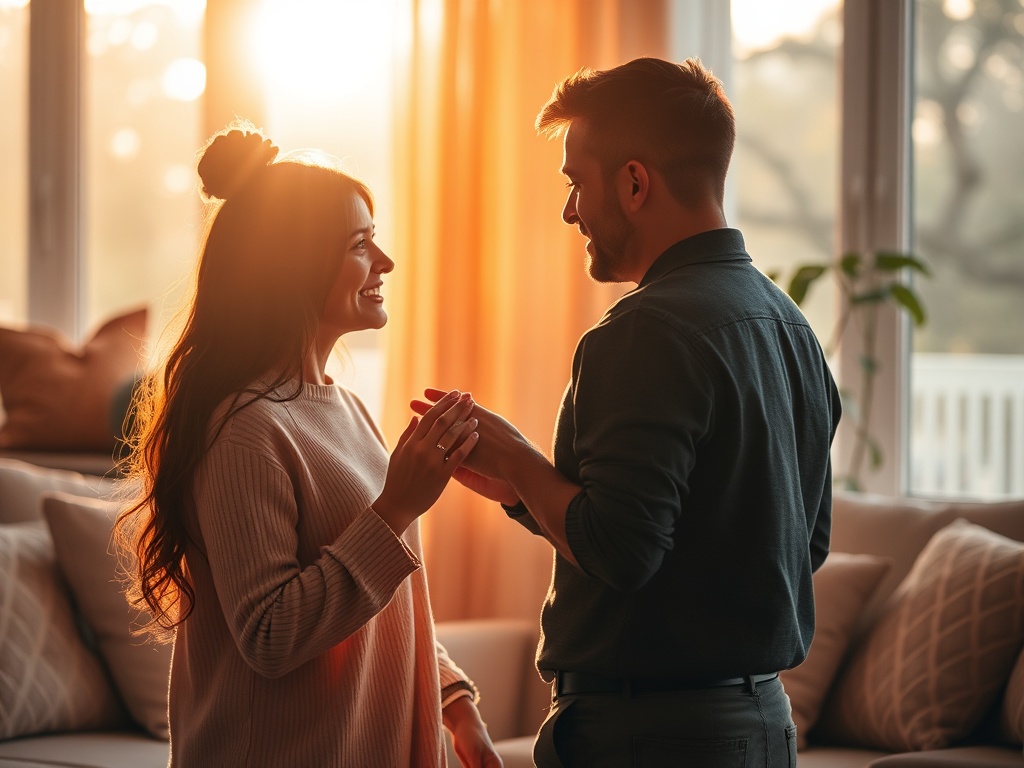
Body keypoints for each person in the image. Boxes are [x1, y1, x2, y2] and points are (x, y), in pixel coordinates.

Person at [414, 57, 842, 766]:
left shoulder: (642, 332)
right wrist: (528, 494)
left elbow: (621, 548)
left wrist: (520, 460)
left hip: (648, 737)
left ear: (635, 182)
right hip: (763, 726)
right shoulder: (789, 325)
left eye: (576, 182)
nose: (569, 210)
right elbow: (804, 543)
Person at [115, 122, 502, 768]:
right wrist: (397, 509)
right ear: (293, 266)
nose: (385, 263)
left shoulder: (346, 409)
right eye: (360, 244)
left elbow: (387, 601)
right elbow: (269, 634)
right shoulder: (242, 430)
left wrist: (457, 709)